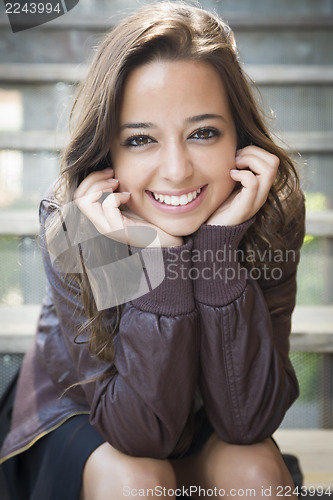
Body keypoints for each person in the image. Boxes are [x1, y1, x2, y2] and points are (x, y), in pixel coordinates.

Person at [0, 2, 305, 499]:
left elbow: (246, 419)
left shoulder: (267, 212)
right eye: (141, 139)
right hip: (88, 409)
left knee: (256, 476)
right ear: (108, 152)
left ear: (239, 137)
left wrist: (215, 253)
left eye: (203, 133)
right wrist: (157, 256)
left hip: (208, 408)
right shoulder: (81, 224)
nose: (177, 170)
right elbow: (140, 432)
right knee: (139, 481)